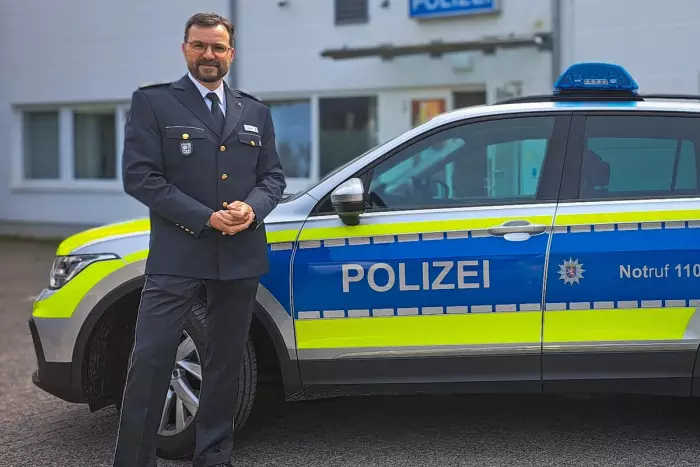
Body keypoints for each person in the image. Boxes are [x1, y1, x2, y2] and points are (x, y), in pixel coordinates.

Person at [112, 12, 286, 467]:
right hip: (178, 252)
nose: (209, 54)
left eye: (218, 47)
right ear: (185, 48)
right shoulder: (154, 103)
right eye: (199, 45)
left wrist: (252, 208)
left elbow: (272, 178)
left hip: (240, 252)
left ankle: (214, 456)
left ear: (231, 53)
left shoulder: (255, 111)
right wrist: (206, 218)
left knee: (225, 363)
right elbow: (141, 177)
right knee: (151, 358)